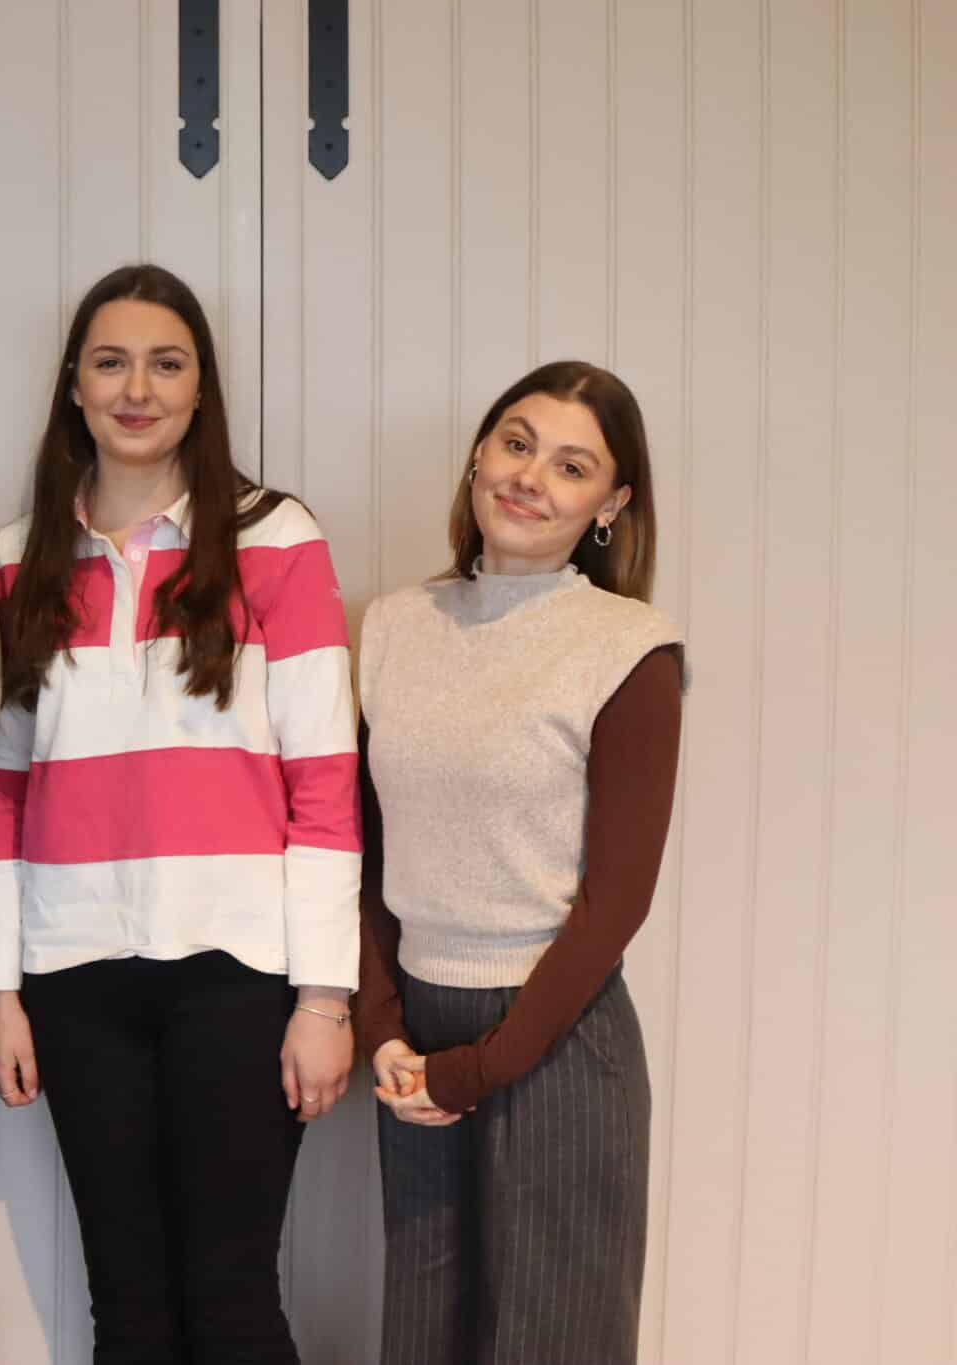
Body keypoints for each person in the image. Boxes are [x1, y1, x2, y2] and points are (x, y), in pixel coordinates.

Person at [0, 263, 361, 1365]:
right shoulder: (10, 562)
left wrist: (324, 998)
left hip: (237, 968)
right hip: (71, 971)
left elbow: (323, 781)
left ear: (199, 389)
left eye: (165, 362)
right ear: (73, 386)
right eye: (110, 361)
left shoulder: (276, 539)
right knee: (128, 1311)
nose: (136, 387)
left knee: (229, 1300)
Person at [355, 360, 685, 1364]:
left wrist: (482, 1068)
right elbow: (360, 853)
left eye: (570, 464)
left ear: (609, 503)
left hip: (556, 1034)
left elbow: (614, 902)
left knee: (550, 1339)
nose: (529, 475)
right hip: (413, 1036)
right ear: (476, 456)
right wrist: (380, 1025)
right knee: (423, 1334)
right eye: (514, 442)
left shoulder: (627, 647)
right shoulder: (390, 625)